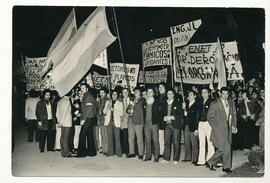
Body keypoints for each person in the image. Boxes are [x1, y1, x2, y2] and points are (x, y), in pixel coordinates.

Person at [206, 87, 237, 173]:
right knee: (222, 148)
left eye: (227, 94)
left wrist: (234, 126)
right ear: (220, 93)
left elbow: (232, 115)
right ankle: (211, 162)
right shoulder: (215, 103)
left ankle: (225, 166)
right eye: (223, 94)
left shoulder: (230, 102)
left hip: (228, 128)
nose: (225, 96)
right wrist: (216, 127)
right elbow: (209, 117)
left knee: (227, 147)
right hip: (219, 130)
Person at [160, 88, 184, 165]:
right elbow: (161, 113)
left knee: (176, 142)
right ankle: (166, 158)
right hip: (167, 125)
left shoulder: (178, 102)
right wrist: (163, 117)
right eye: (168, 94)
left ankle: (176, 158)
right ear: (166, 95)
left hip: (175, 125)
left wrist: (173, 117)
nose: (169, 95)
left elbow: (181, 114)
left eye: (171, 94)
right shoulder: (164, 103)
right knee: (166, 141)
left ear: (174, 94)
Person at [77, 83, 98, 157]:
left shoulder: (88, 96)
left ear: (87, 89)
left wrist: (83, 119)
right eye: (81, 88)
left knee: (82, 135)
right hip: (89, 118)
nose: (81, 89)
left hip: (88, 118)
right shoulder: (86, 96)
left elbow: (88, 109)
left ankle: (81, 153)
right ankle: (91, 152)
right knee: (89, 135)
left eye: (83, 88)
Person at [196, 88, 215, 166]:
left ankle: (210, 161)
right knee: (201, 143)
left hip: (208, 123)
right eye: (202, 92)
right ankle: (201, 161)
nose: (204, 94)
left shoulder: (212, 102)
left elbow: (216, 98)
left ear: (209, 93)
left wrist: (213, 90)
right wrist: (196, 126)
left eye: (206, 92)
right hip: (201, 123)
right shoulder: (199, 102)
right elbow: (197, 114)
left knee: (210, 142)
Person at [103, 90, 124, 157]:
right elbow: (104, 112)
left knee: (117, 138)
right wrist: (107, 106)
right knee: (109, 137)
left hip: (116, 122)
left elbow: (121, 113)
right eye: (113, 94)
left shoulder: (120, 103)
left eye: (115, 94)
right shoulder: (108, 102)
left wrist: (114, 110)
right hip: (109, 122)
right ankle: (110, 152)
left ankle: (118, 153)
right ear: (111, 95)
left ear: (117, 96)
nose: (114, 96)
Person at [126, 87, 144, 159]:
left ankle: (141, 153)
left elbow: (140, 109)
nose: (136, 92)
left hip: (139, 121)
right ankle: (132, 152)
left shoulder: (142, 100)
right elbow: (127, 109)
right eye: (135, 91)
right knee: (130, 138)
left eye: (137, 91)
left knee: (139, 138)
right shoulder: (132, 99)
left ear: (140, 92)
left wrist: (133, 104)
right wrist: (129, 110)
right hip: (131, 120)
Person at [182, 90, 199, 165]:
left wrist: (196, 128)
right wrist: (183, 110)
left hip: (193, 126)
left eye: (191, 95)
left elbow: (197, 117)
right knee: (186, 142)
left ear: (195, 96)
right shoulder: (185, 105)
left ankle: (195, 159)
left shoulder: (197, 105)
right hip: (186, 125)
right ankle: (187, 157)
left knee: (194, 143)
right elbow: (183, 116)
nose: (189, 96)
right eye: (188, 95)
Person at [143, 87, 160, 162]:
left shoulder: (156, 101)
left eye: (151, 91)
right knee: (147, 140)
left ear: (153, 93)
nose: (149, 93)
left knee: (155, 140)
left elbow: (160, 113)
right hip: (146, 124)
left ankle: (156, 156)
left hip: (154, 124)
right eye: (148, 92)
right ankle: (148, 156)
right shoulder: (145, 102)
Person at [56, 91, 73, 158]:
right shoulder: (67, 101)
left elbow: (57, 112)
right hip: (66, 122)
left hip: (62, 121)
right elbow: (65, 112)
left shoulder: (60, 101)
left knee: (62, 137)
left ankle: (63, 152)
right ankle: (66, 153)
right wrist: (61, 122)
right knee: (66, 137)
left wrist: (59, 121)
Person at [96, 88, 109, 155]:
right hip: (100, 119)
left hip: (105, 119)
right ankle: (104, 149)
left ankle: (106, 150)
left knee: (105, 135)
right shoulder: (100, 100)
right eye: (100, 93)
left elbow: (102, 111)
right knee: (103, 135)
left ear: (105, 93)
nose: (101, 94)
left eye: (102, 93)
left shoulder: (107, 100)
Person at [156, 83, 167, 158]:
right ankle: (161, 152)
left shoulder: (167, 97)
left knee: (167, 137)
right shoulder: (157, 97)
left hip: (166, 119)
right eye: (159, 87)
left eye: (162, 87)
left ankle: (166, 152)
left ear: (165, 88)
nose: (160, 88)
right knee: (160, 136)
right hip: (159, 120)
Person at [120, 88, 130, 156]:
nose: (125, 93)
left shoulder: (132, 100)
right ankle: (125, 151)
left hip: (131, 121)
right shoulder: (120, 101)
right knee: (125, 137)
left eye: (126, 92)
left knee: (131, 137)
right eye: (124, 92)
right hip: (124, 121)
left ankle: (132, 151)